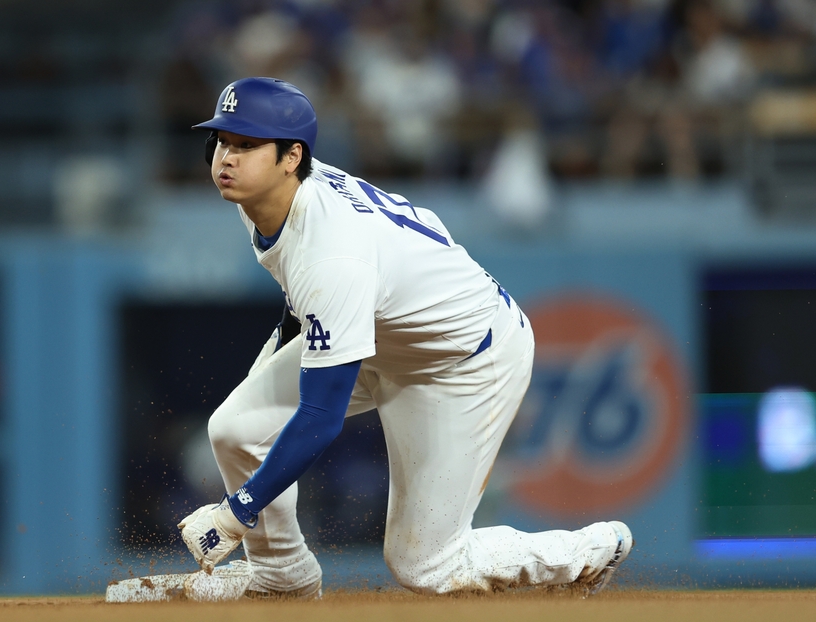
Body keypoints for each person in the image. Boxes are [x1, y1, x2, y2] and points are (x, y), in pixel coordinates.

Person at [176, 77, 632, 600]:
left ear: (291, 156)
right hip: (383, 329)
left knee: (425, 566)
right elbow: (301, 289)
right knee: (236, 429)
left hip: (463, 360)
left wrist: (237, 511)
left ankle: (589, 550)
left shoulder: (332, 253)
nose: (227, 157)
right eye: (223, 141)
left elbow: (320, 420)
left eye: (247, 145)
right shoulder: (270, 192)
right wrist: (275, 352)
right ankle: (283, 577)